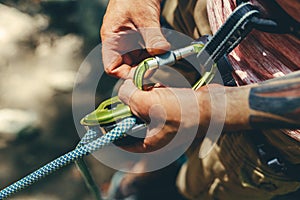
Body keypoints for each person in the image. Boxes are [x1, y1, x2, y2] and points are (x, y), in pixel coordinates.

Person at [100, 0, 300, 199]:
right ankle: (144, 174)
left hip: (271, 128)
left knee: (195, 185)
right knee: (137, 111)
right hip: (200, 11)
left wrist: (206, 109)